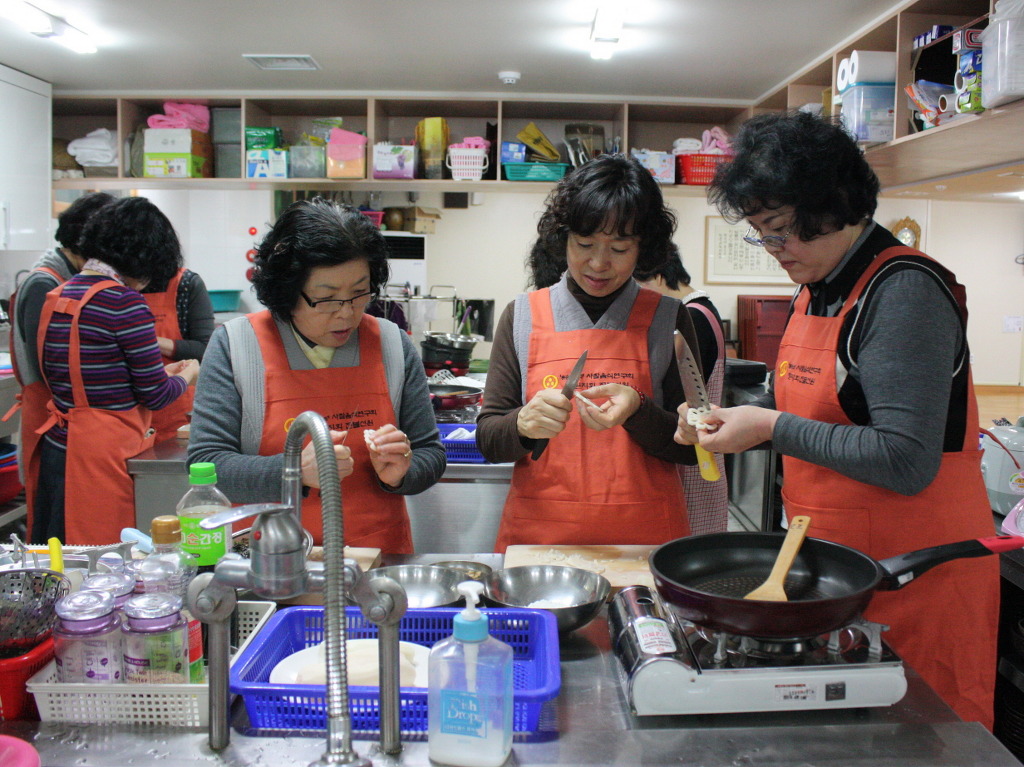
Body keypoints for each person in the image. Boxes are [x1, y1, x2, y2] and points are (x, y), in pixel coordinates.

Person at [675, 110, 998, 729]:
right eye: (761, 235)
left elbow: (904, 459)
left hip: (917, 578)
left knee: (923, 741)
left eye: (779, 232)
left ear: (834, 207)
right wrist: (732, 420)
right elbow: (812, 413)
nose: (774, 251)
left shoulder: (902, 292)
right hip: (840, 573)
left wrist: (768, 429)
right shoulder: (817, 286)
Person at [187, 197, 445, 552]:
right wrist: (293, 471)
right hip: (268, 560)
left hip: (374, 557)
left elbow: (430, 453)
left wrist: (403, 472)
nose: (346, 313)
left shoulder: (391, 345)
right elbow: (206, 464)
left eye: (359, 293)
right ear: (287, 291)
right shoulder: (237, 346)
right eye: (327, 299)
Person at [477, 154, 702, 551]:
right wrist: (522, 424)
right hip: (541, 538)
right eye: (584, 244)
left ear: (643, 247)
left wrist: (638, 410)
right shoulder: (523, 316)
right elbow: (489, 441)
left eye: (619, 248)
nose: (598, 263)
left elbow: (694, 449)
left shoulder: (668, 318)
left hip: (644, 539)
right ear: (563, 238)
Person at [33, 196, 200, 545]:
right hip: (102, 454)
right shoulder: (124, 303)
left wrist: (163, 372)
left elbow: (91, 375)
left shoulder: (59, 295)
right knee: (105, 555)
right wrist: (187, 374)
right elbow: (155, 395)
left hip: (58, 447)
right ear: (144, 257)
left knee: (61, 552)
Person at [6, 192, 115, 526]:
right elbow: (52, 366)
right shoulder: (45, 284)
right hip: (50, 420)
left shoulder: (70, 278)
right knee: (53, 524)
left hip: (69, 422)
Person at [637, 248, 729, 534]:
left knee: (688, 540)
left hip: (693, 453)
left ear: (658, 277)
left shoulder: (690, 317)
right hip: (701, 446)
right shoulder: (705, 308)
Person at [140, 267, 216, 441]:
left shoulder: (186, 284)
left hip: (177, 409)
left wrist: (145, 340)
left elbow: (205, 349)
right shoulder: (115, 289)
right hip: (133, 412)